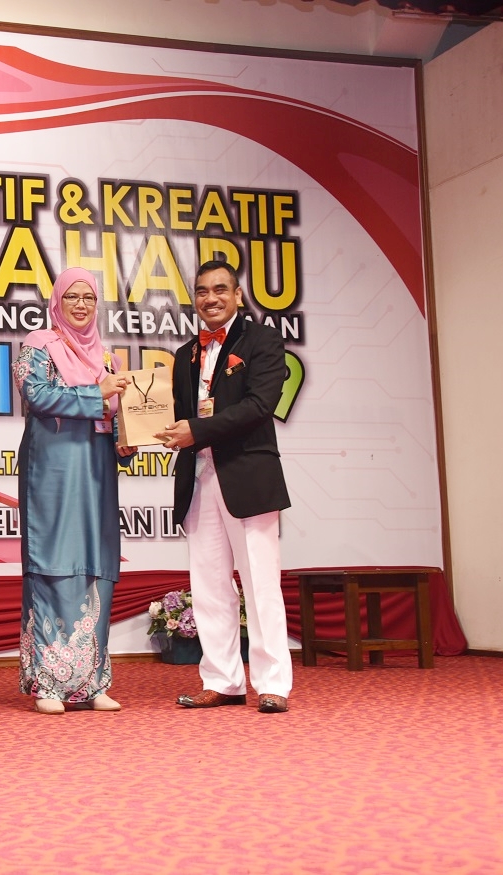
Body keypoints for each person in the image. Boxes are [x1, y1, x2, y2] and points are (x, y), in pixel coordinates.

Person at [155, 260, 293, 713]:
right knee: (209, 587)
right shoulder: (184, 355)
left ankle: (273, 684)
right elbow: (177, 415)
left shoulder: (263, 341)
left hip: (246, 476)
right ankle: (222, 680)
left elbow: (259, 405)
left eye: (219, 290)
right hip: (198, 477)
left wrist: (197, 429)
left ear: (237, 295)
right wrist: (137, 435)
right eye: (201, 291)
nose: (210, 298)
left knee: (260, 584)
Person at [13, 267, 134, 715]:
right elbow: (37, 396)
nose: (81, 305)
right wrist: (95, 394)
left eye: (89, 298)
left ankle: (92, 682)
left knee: (97, 564)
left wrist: (127, 439)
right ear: (57, 302)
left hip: (97, 469)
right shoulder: (39, 345)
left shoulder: (108, 358)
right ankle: (48, 684)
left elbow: (116, 416)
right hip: (53, 470)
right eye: (72, 297)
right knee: (54, 563)